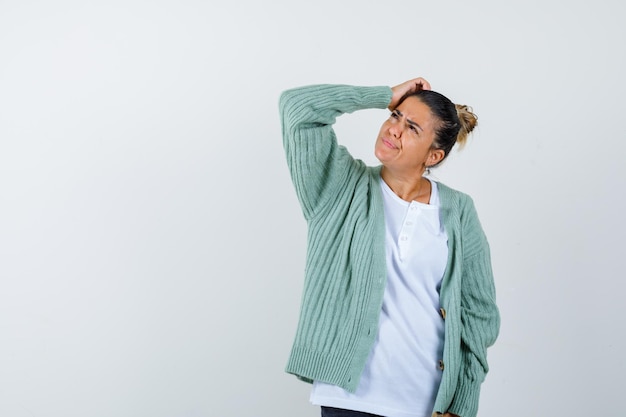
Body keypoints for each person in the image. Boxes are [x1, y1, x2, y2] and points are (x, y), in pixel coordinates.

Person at [279, 77, 500, 417]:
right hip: (349, 400)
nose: (394, 128)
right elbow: (297, 107)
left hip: (427, 405)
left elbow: (478, 315)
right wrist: (383, 95)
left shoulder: (458, 211)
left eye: (412, 127)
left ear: (434, 154)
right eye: (395, 115)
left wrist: (462, 404)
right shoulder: (338, 188)